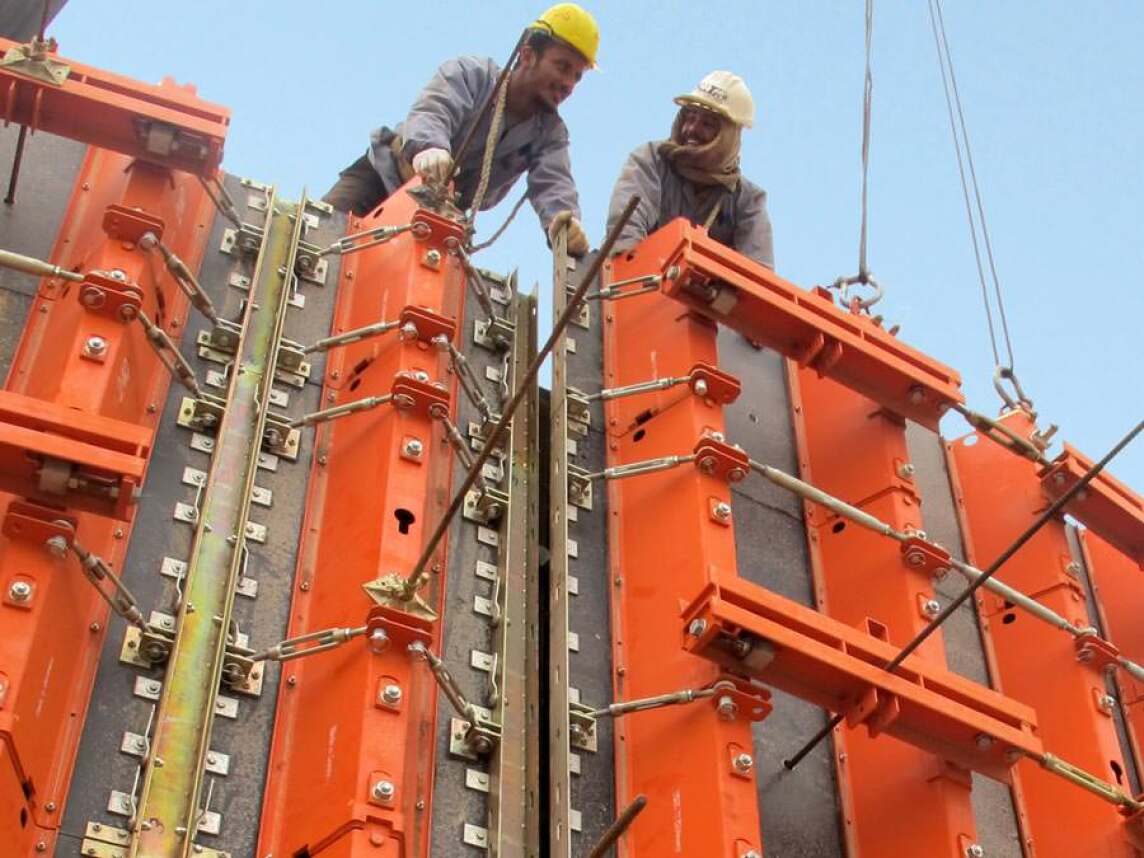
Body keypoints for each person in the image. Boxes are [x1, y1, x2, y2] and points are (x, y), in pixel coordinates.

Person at [322, 3, 596, 256]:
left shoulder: (549, 134)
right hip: (382, 181)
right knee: (319, 239)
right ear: (527, 55)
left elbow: (554, 182)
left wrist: (563, 223)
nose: (568, 83)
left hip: (442, 217)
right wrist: (429, 148)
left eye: (577, 76)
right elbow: (435, 110)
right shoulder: (473, 75)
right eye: (562, 67)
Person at [605, 71, 774, 269]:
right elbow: (625, 235)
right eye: (689, 118)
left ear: (730, 136)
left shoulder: (746, 200)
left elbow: (757, 275)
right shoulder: (651, 161)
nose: (691, 129)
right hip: (635, 289)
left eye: (707, 124)